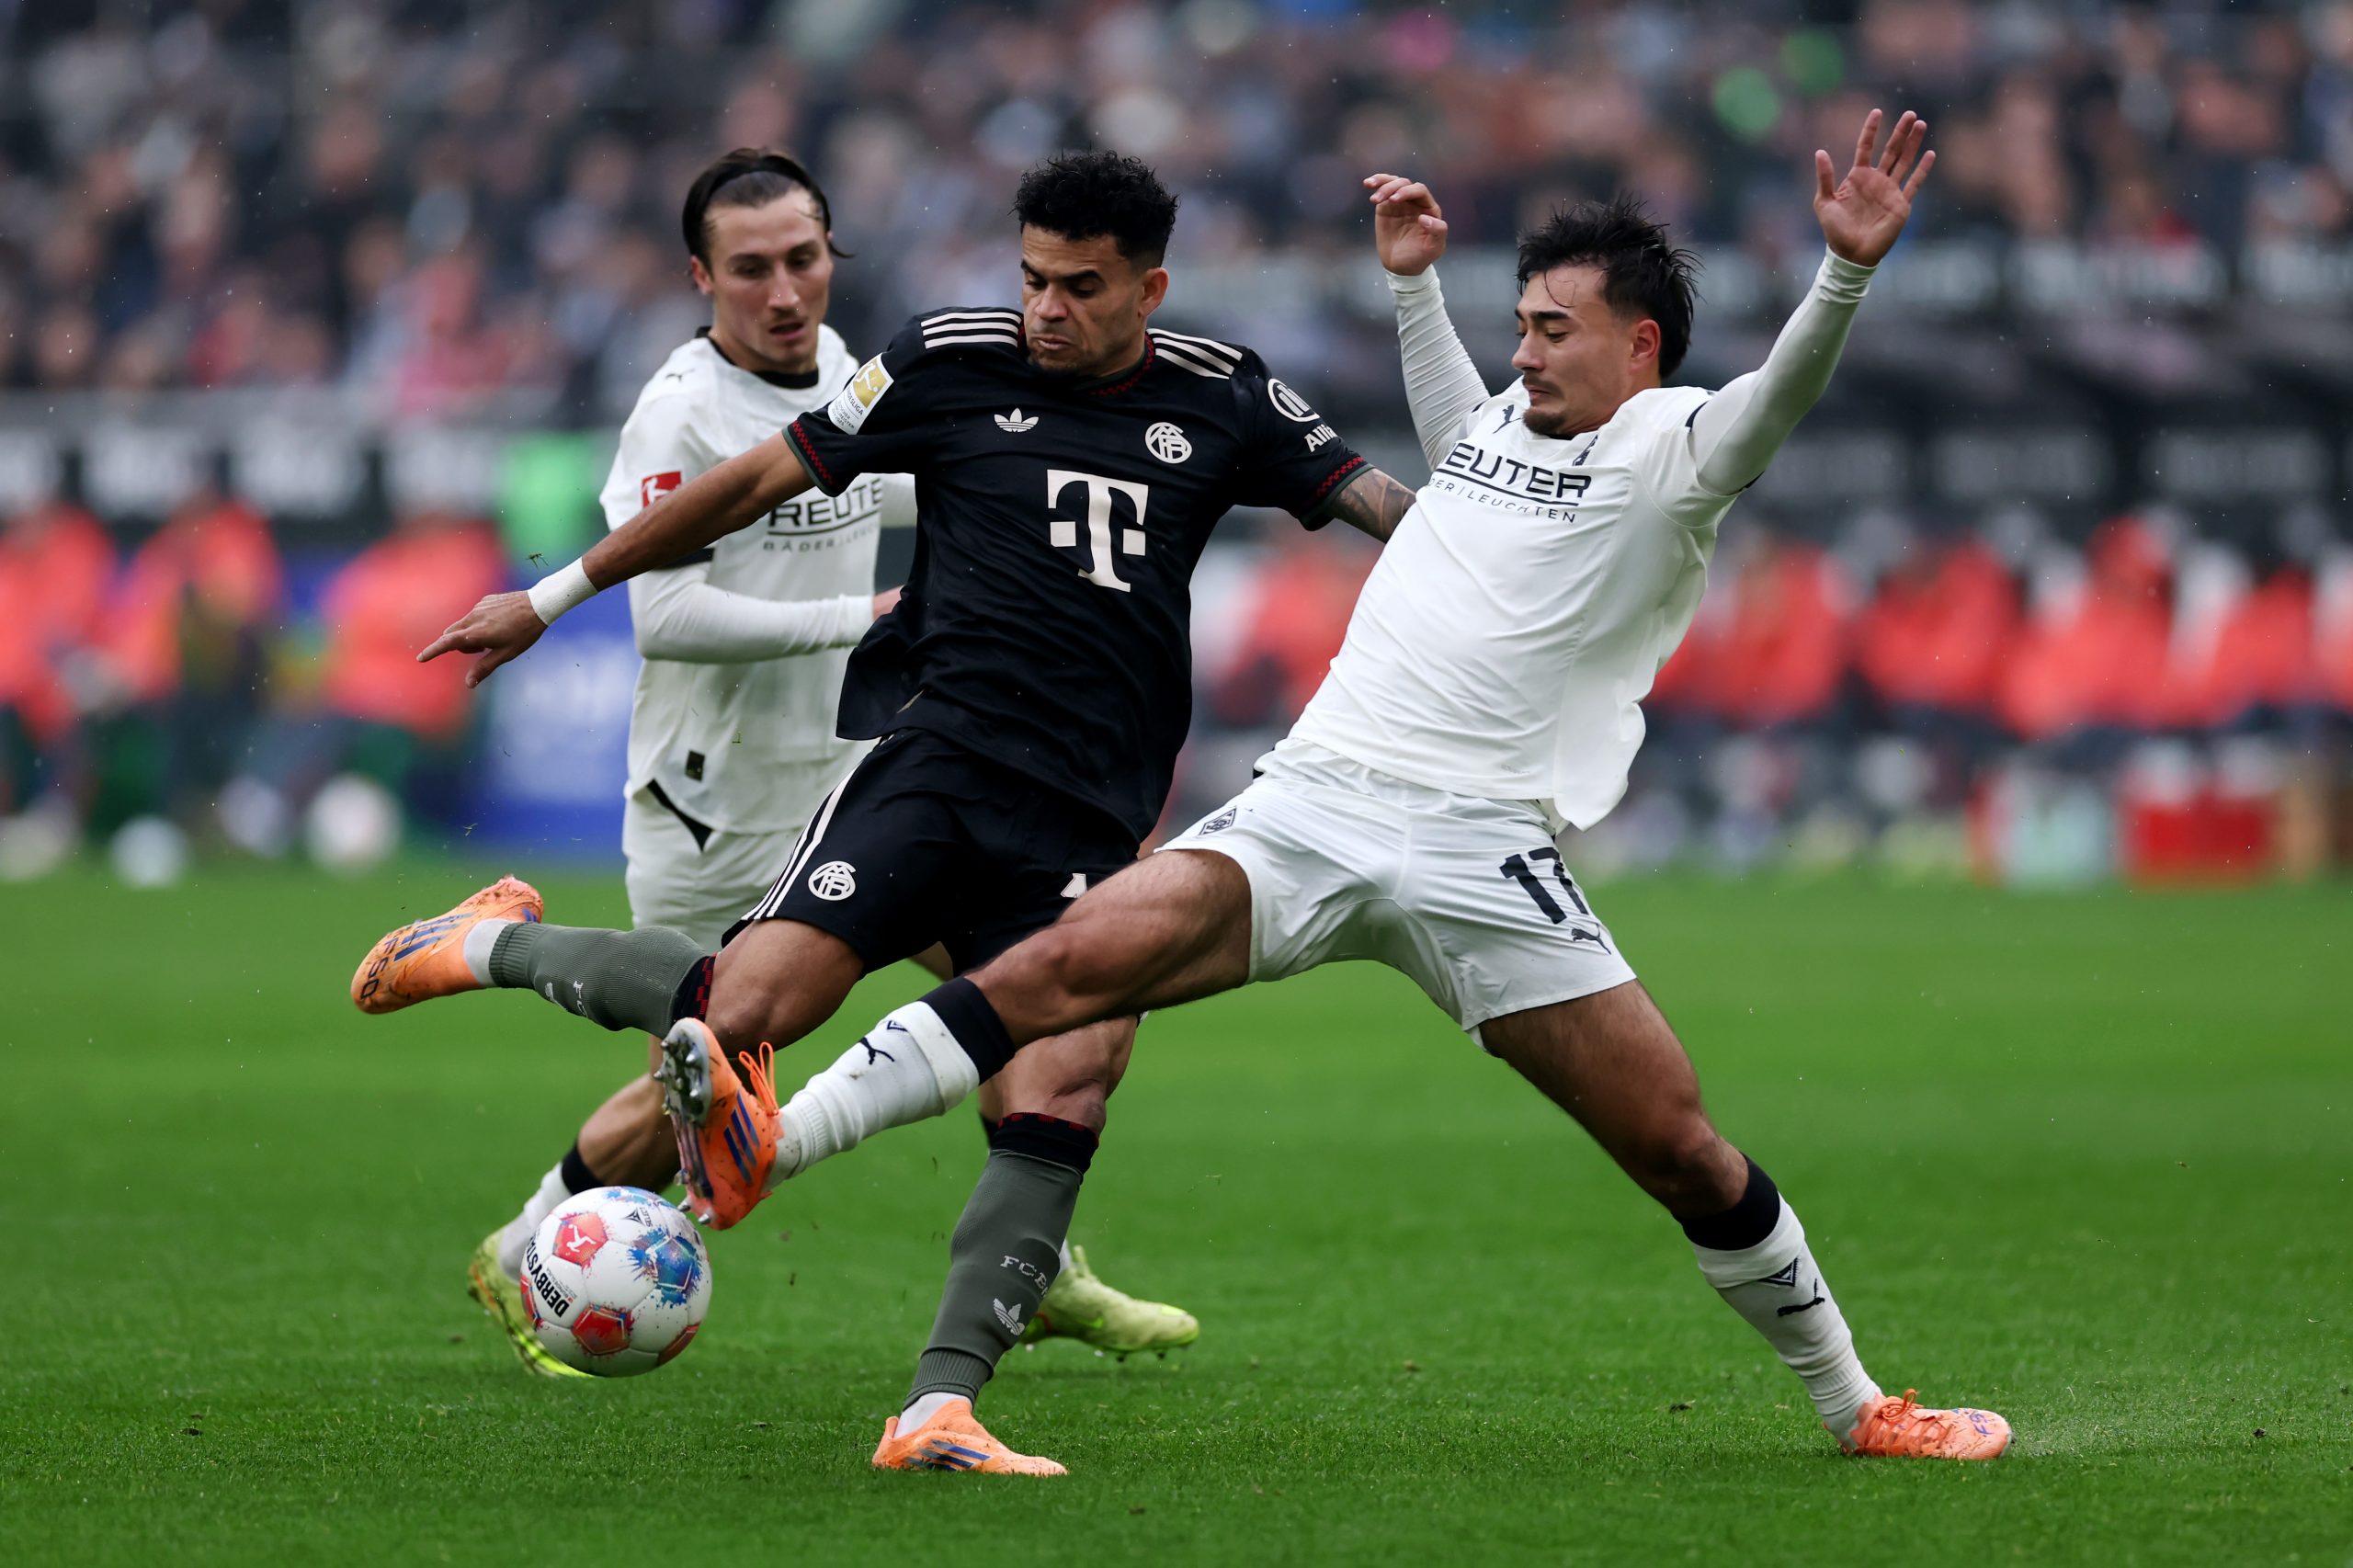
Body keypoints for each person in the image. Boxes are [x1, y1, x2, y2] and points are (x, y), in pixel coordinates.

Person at [739, 110, 2015, 1474]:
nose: (1523, 350)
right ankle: (782, 1154)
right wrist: (1412, 283)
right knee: (1060, 973)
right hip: (1319, 799)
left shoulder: (1679, 452)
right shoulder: (1490, 438)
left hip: (1484, 854)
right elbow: (1452, 426)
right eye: (1517, 322)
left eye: (1553, 328)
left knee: (1683, 1148)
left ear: (1640, 346)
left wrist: (1844, 277)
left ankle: (1859, 1403)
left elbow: (1778, 398)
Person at [352, 152, 1418, 1460]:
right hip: (922, 775)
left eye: (1080, 288)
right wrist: (547, 596)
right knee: (739, 1014)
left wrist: (1530, 576)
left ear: (1151, 286)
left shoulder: (1226, 394)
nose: (1044, 310)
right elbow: (741, 488)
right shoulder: (939, 359)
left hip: (1091, 822)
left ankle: (939, 1404)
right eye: (1031, 278)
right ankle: (492, 950)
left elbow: (1392, 517)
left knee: (1066, 1081)